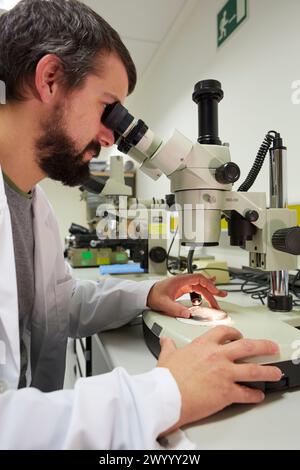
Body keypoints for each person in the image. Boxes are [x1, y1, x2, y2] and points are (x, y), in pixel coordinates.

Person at [0, 0, 282, 450]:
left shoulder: (31, 203)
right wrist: (162, 393)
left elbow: (57, 304)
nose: (113, 136)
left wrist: (148, 292)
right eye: (108, 108)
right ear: (49, 78)